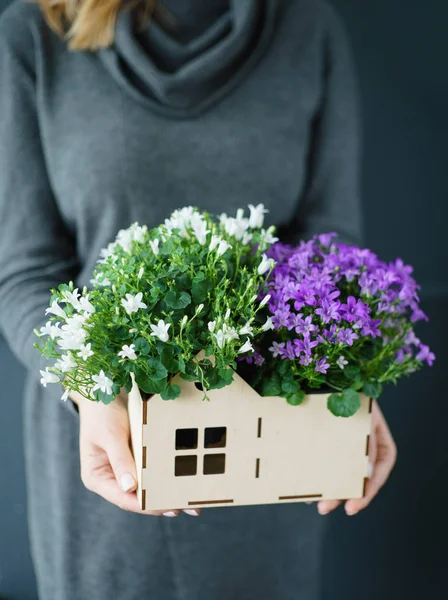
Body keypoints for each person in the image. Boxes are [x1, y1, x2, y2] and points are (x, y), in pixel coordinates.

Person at [0, 1, 397, 599]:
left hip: (274, 443)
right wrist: (92, 387)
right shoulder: (35, 32)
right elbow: (25, 270)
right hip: (114, 444)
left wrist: (353, 374)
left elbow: (330, 246)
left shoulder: (307, 28)